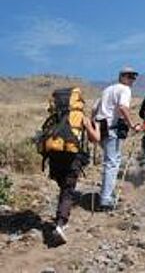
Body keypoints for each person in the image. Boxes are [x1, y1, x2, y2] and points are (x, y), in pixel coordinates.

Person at [38, 87, 101, 244]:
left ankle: (61, 214)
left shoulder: (54, 117)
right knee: (68, 191)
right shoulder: (80, 117)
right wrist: (97, 127)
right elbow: (95, 139)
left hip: (54, 157)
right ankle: (60, 224)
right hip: (72, 157)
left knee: (63, 188)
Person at [94, 67, 141, 211]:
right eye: (130, 77)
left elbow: (94, 109)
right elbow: (122, 108)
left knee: (111, 161)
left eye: (134, 77)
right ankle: (106, 199)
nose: (132, 80)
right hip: (112, 129)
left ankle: (107, 194)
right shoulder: (124, 90)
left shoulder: (107, 89)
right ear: (123, 77)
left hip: (101, 129)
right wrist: (132, 124)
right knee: (112, 164)